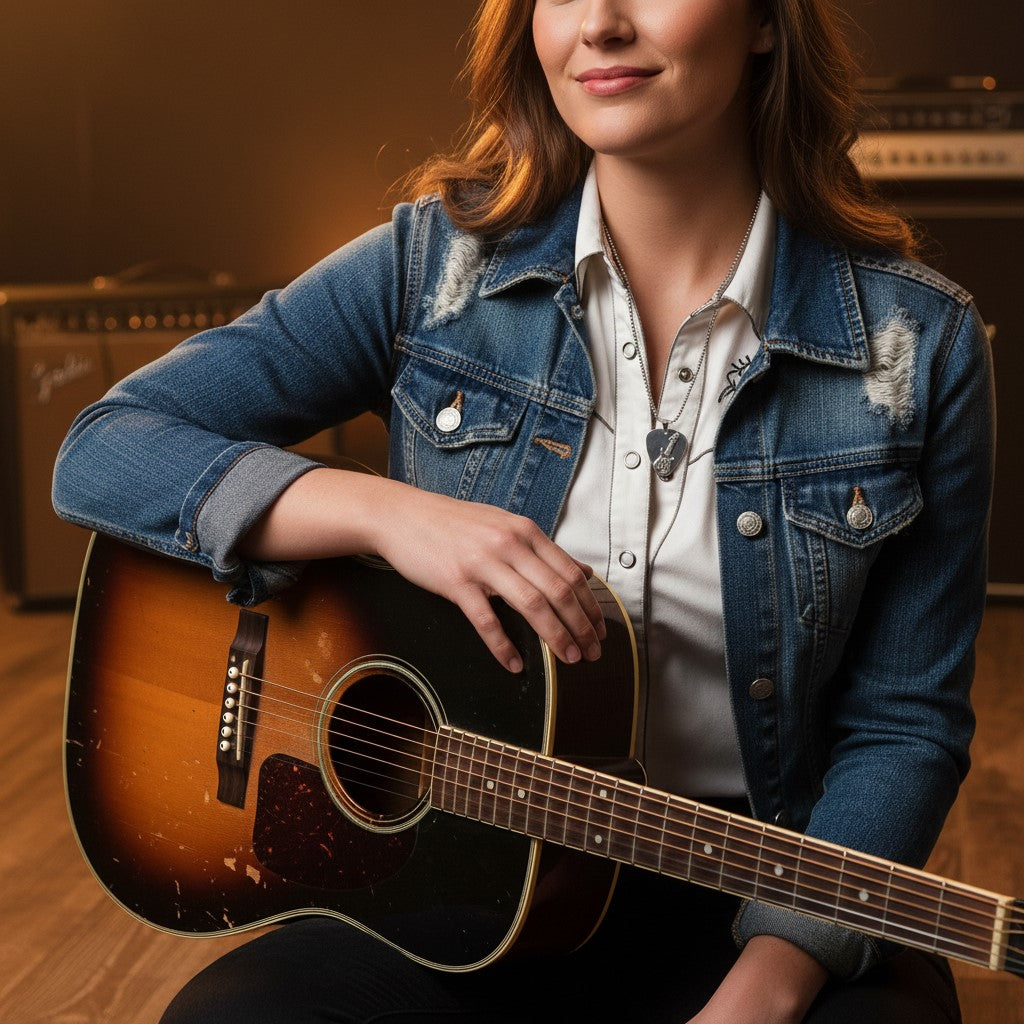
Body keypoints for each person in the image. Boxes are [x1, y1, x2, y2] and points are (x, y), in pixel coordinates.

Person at [52, 0, 994, 1021]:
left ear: (765, 21)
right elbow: (105, 450)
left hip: (751, 890)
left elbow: (903, 725)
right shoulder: (432, 268)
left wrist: (770, 982)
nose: (599, 23)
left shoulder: (918, 344)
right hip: (446, 876)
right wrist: (384, 514)